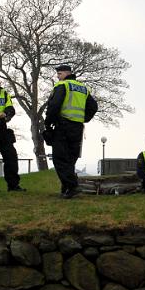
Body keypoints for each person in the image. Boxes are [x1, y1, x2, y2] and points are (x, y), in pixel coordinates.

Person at [44, 65, 99, 199]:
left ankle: (73, 186)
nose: (58, 76)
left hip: (63, 126)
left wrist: (48, 122)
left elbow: (54, 105)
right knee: (70, 159)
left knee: (59, 158)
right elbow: (94, 106)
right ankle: (66, 189)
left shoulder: (63, 85)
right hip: (78, 127)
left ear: (66, 74)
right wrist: (84, 118)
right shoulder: (83, 88)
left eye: (59, 74)